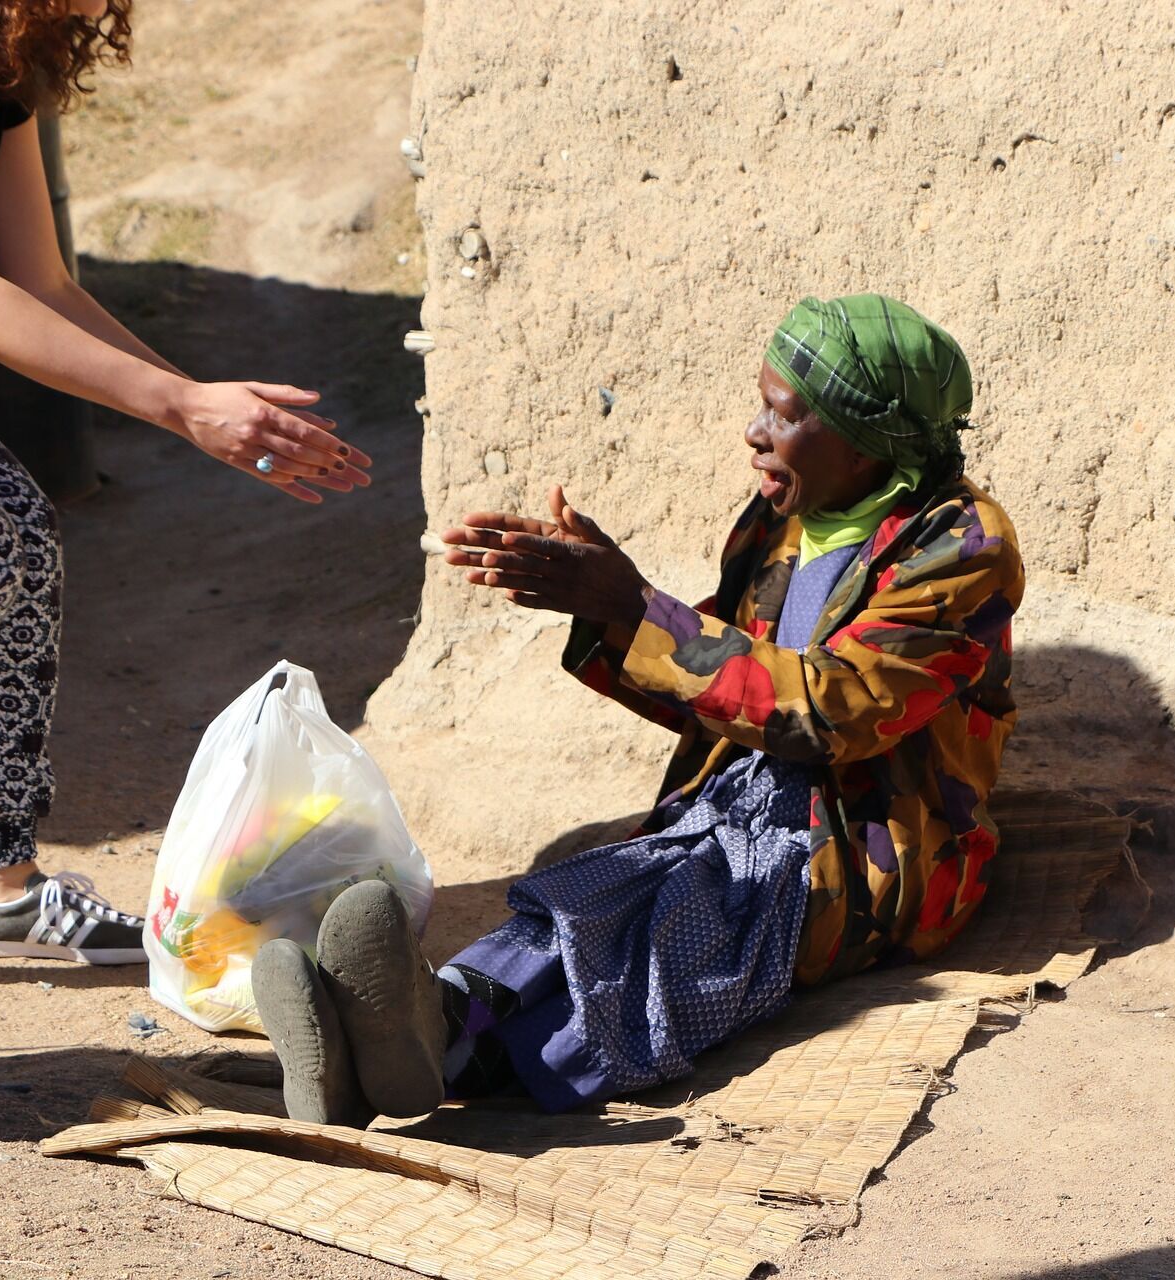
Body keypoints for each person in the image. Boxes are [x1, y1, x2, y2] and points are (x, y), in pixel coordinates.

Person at [254, 294, 1024, 1124]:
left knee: (697, 910)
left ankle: (428, 1048)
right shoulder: (783, 520)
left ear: (869, 441)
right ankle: (416, 1023)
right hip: (738, 798)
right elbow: (721, 689)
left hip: (870, 840)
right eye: (761, 404)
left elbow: (832, 712)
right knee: (590, 888)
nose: (755, 433)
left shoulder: (961, 548)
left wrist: (637, 605)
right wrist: (607, 608)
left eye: (785, 414)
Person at [0, 0, 374, 963]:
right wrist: (180, 406)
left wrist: (194, 403)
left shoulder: (0, 55)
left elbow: (38, 282)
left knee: (7, 537)